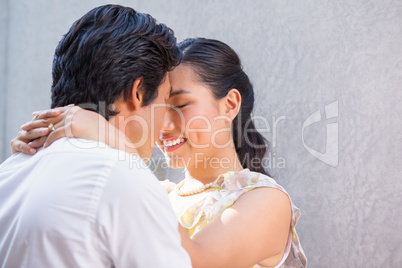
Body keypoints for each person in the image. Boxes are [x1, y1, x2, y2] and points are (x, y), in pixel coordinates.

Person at [12, 39, 308, 267]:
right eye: (161, 109)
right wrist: (36, 155)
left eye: (180, 106)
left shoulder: (267, 201)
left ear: (229, 105)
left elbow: (189, 263)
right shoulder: (161, 195)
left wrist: (111, 140)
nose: (164, 125)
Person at [0, 4, 192, 267]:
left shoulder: (10, 170)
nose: (166, 123)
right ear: (137, 92)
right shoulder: (123, 180)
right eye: (167, 99)